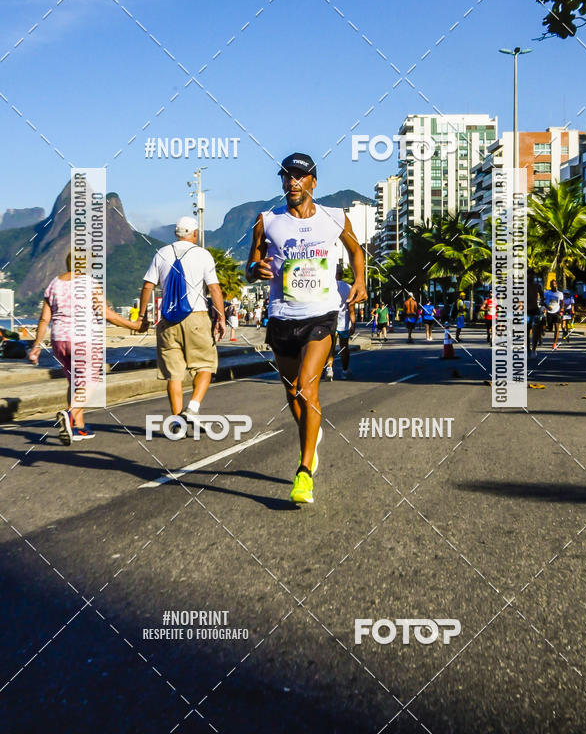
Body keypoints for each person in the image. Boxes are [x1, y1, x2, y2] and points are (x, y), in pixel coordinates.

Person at [246, 152, 366, 505]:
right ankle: (311, 440)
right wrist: (256, 271)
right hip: (282, 316)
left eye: (299, 177)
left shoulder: (334, 217)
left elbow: (357, 250)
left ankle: (303, 472)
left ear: (313, 182)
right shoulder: (267, 220)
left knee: (305, 388)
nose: (292, 183)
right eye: (286, 177)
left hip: (321, 315)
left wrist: (360, 280)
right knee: (291, 394)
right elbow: (250, 264)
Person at [28, 252, 147, 444]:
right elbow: (108, 314)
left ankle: (78, 427)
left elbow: (44, 319)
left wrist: (36, 346)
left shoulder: (54, 284)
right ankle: (70, 414)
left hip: (59, 339)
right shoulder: (89, 283)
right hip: (84, 339)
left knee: (75, 382)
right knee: (91, 381)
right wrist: (134, 326)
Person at [135, 216, 226, 428]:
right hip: (197, 317)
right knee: (206, 364)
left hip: (167, 319)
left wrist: (142, 316)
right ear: (194, 233)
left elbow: (148, 286)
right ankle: (192, 409)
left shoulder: (161, 253)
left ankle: (177, 420)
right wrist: (220, 316)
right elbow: (214, 288)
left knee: (173, 374)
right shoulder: (203, 255)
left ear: (176, 233)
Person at [324, 263, 356, 380]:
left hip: (330, 321)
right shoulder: (349, 288)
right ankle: (345, 371)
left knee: (330, 347)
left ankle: (329, 369)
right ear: (342, 274)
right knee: (344, 347)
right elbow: (351, 308)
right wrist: (353, 323)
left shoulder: (327, 286)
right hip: (344, 322)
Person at [526, 270, 544, 355]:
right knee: (526, 331)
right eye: (529, 275)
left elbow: (543, 297)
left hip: (535, 311)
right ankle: (528, 349)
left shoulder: (537, 286)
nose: (531, 277)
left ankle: (534, 349)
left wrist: (542, 303)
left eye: (532, 275)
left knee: (536, 331)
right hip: (526, 311)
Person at [544, 278, 564, 350]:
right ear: (550, 286)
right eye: (552, 284)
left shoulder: (560, 293)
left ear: (556, 285)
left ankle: (554, 344)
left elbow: (562, 303)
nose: (554, 285)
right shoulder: (547, 293)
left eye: (555, 284)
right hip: (549, 312)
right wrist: (547, 307)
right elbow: (542, 301)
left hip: (557, 312)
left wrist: (561, 309)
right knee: (549, 328)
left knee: (557, 328)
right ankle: (542, 333)